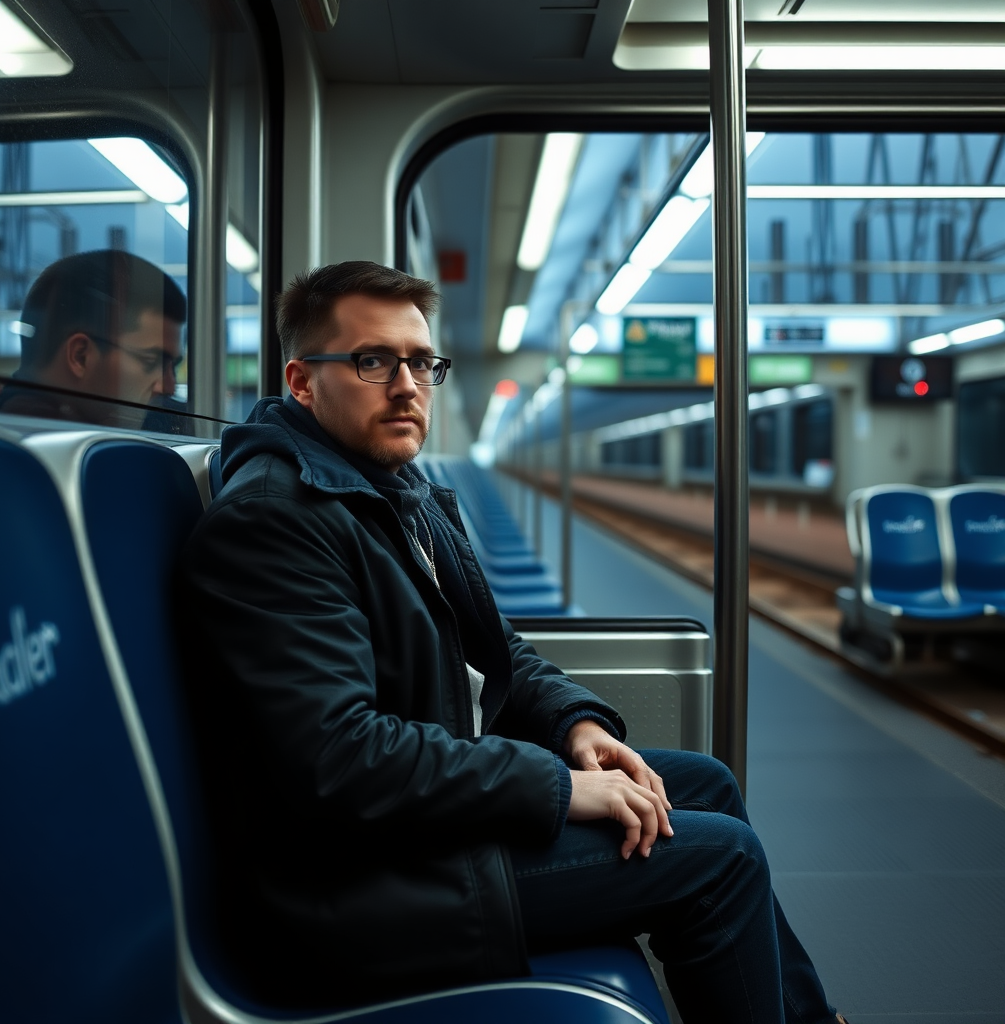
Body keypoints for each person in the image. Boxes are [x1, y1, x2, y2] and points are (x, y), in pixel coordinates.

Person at [175, 261, 848, 1023]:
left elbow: (497, 652)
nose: (406, 385)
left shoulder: (396, 492)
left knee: (705, 783)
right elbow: (339, 761)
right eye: (372, 361)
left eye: (421, 362)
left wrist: (576, 726)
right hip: (350, 885)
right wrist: (558, 787)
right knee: (724, 860)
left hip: (414, 835)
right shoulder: (276, 521)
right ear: (302, 381)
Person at [0, 249, 186, 429]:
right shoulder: (61, 457)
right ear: (80, 356)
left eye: (172, 367)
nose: (168, 387)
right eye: (152, 362)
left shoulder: (6, 427)